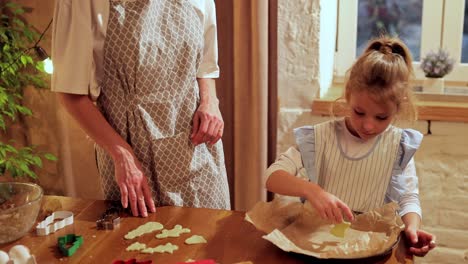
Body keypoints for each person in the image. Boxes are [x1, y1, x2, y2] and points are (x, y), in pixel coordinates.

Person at [51, 0, 231, 217]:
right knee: (142, 246)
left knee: (211, 241)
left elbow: (205, 64)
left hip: (198, 152)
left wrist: (210, 102)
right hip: (133, 159)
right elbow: (70, 93)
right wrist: (122, 155)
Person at [265, 36, 436, 257]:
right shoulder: (321, 137)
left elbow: (408, 198)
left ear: (398, 108)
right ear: (348, 96)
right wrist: (311, 190)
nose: (368, 125)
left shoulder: (399, 147)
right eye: (359, 112)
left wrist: (412, 227)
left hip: (370, 247)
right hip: (318, 243)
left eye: (381, 117)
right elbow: (272, 176)